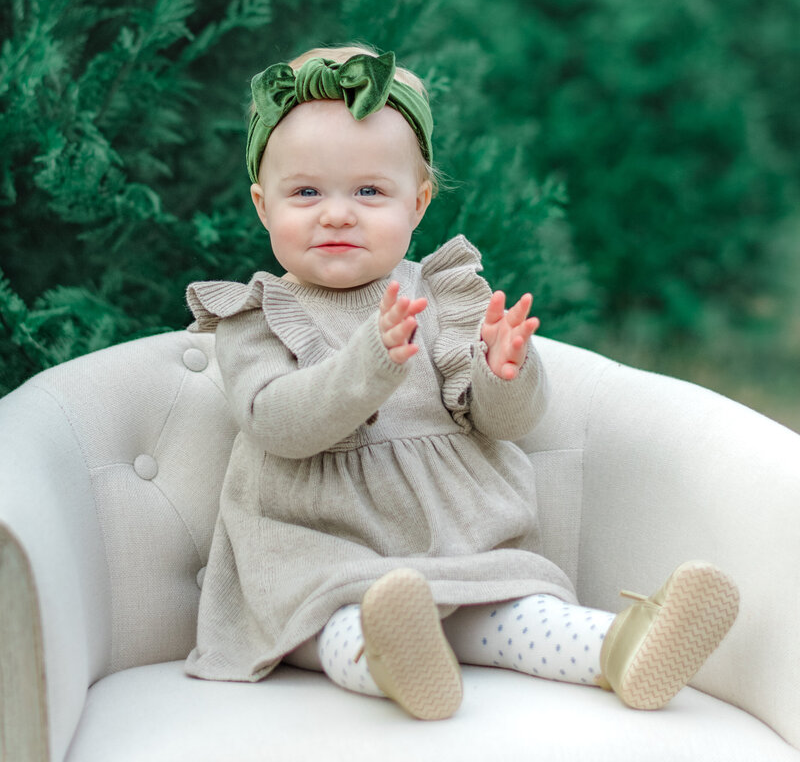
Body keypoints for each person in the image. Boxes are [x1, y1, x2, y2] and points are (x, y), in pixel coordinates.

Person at [184, 43, 739, 721]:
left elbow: (501, 423)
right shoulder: (255, 316)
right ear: (263, 205)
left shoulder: (444, 293)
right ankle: (392, 660)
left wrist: (504, 370)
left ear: (417, 204)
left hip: (460, 545)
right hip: (318, 550)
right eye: (305, 192)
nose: (336, 213)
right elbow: (276, 422)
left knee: (520, 613)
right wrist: (371, 363)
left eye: (368, 191)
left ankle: (623, 647)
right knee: (337, 624)